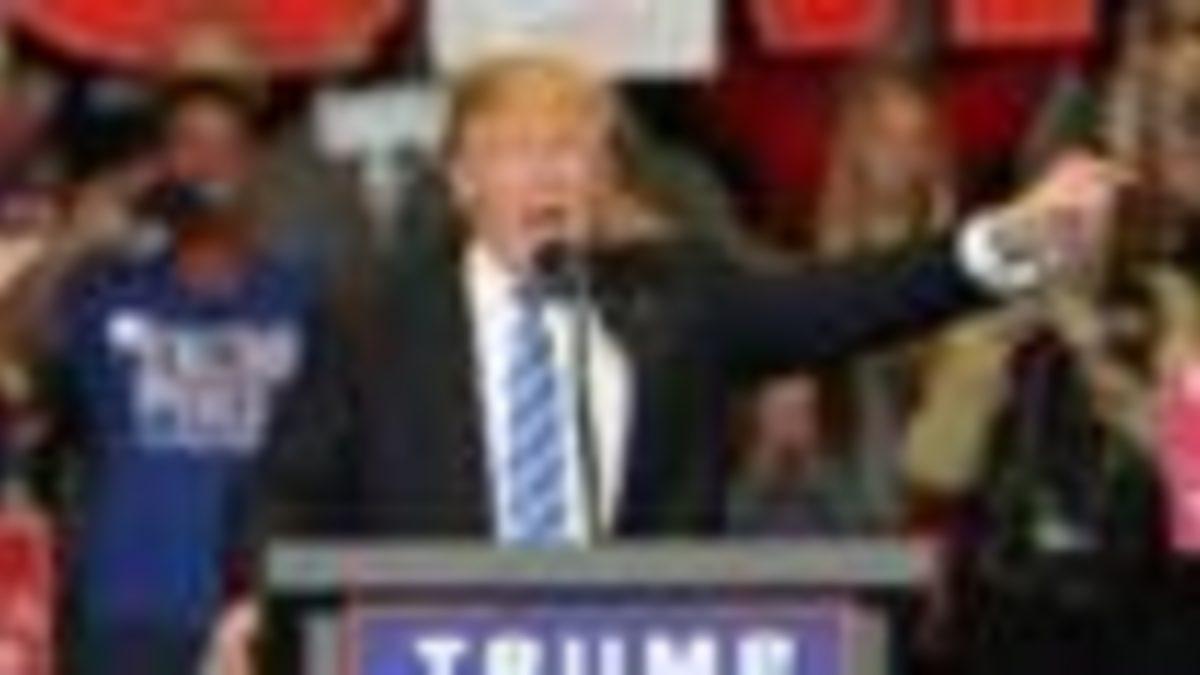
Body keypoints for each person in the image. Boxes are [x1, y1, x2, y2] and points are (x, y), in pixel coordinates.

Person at [51, 78, 313, 675]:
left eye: (227, 145)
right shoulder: (111, 287)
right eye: (189, 143)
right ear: (162, 166)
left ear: (253, 167)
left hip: (260, 611)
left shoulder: (301, 298)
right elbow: (18, 341)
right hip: (129, 615)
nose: (208, 162)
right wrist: (74, 242)